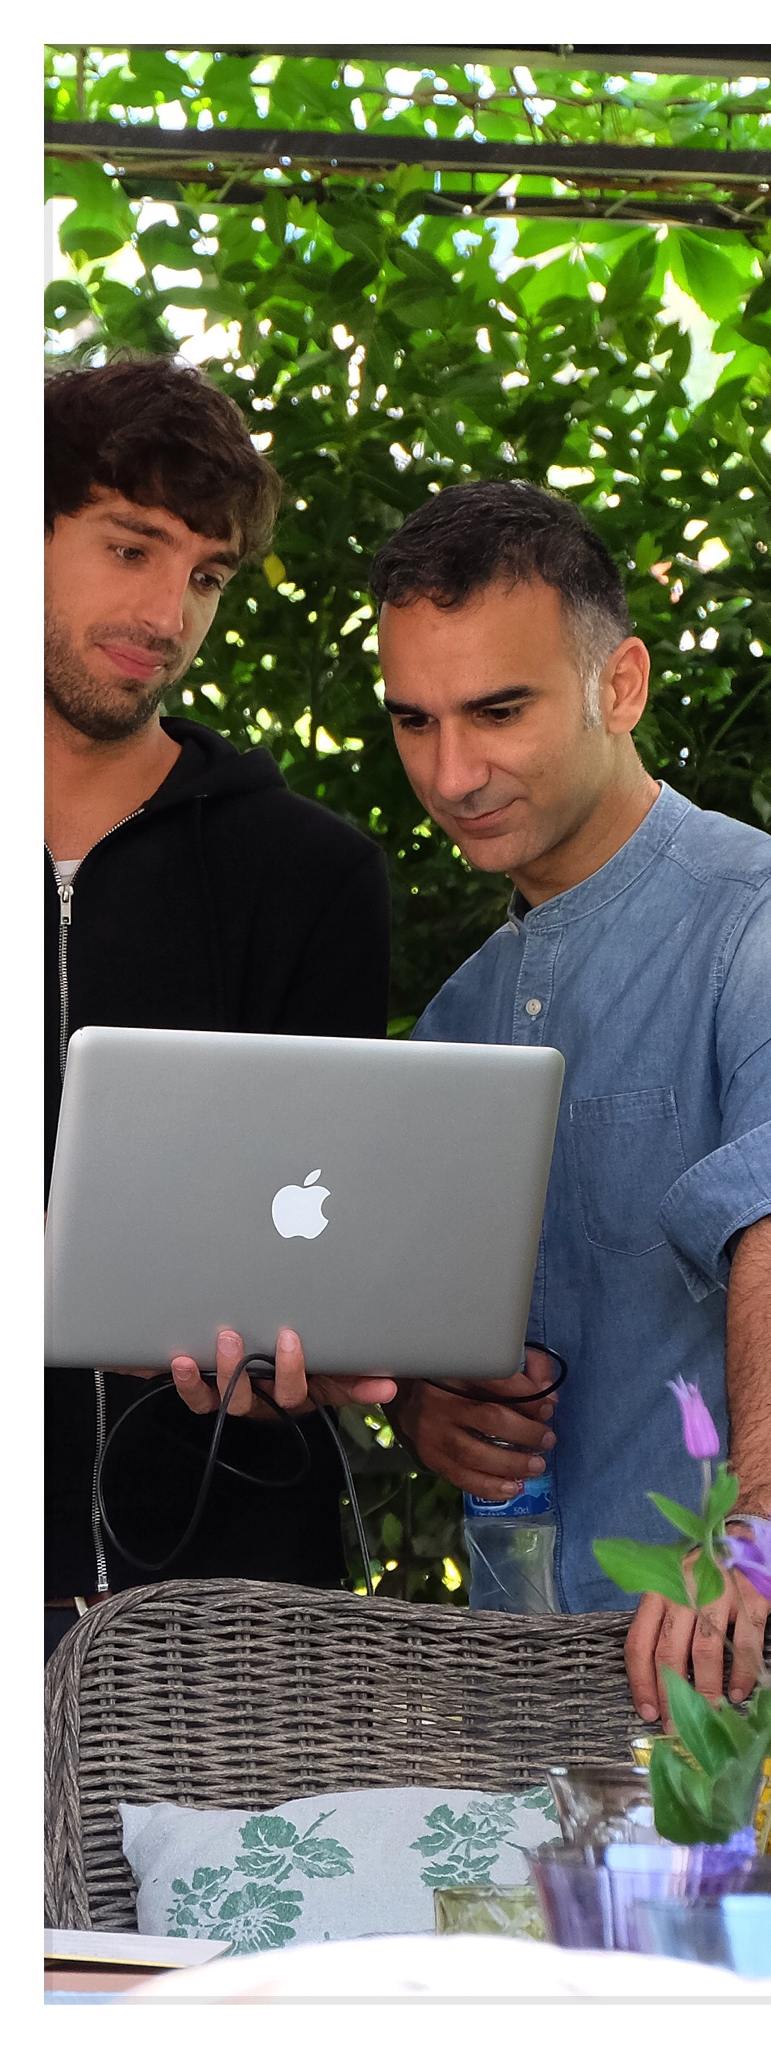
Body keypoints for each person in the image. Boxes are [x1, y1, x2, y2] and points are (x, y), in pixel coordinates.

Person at [369, 481, 771, 1712]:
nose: (452, 771)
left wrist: (755, 1531)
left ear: (619, 685)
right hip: (541, 1681)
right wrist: (426, 1409)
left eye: (498, 710)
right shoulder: (460, 1014)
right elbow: (436, 1332)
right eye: (415, 721)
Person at [44, 355, 395, 1656]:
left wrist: (313, 1342)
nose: (165, 613)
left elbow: (326, 1225)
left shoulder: (309, 874)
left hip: (230, 1618)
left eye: (205, 576)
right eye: (130, 547)